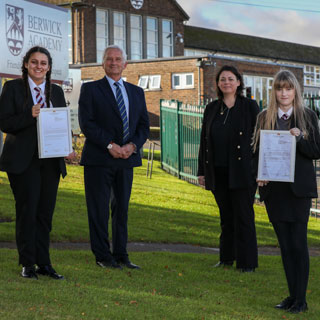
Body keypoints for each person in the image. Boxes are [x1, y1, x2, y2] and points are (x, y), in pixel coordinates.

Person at [0, 46, 74, 280]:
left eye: (43, 63)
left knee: (45, 214)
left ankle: (44, 263)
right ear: (26, 65)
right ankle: (27, 263)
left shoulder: (57, 91)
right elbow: (4, 122)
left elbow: (61, 123)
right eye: (34, 62)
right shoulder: (12, 88)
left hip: (51, 161)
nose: (38, 67)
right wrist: (29, 115)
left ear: (49, 67)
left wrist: (67, 146)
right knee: (27, 211)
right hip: (24, 161)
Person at [253, 70, 320, 313]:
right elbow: (256, 152)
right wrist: (258, 173)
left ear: (295, 91)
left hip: (299, 191)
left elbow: (316, 151)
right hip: (274, 191)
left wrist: (301, 137)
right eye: (280, 89)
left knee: (298, 244)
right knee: (285, 245)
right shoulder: (264, 117)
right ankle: (292, 296)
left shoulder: (307, 116)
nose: (284, 93)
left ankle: (301, 300)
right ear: (274, 92)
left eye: (288, 88)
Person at [78, 45, 149, 270]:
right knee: (98, 209)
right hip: (99, 159)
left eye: (118, 59)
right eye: (109, 59)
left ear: (125, 64)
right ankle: (102, 256)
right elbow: (86, 123)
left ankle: (121, 255)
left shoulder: (136, 92)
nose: (114, 62)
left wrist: (132, 146)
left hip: (126, 159)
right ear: (103, 63)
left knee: (122, 210)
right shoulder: (90, 89)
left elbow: (143, 126)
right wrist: (110, 145)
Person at [198, 65, 259, 272]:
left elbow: (258, 141)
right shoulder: (211, 108)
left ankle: (247, 263)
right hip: (218, 171)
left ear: (239, 82)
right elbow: (204, 142)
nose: (226, 82)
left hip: (243, 172)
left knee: (243, 217)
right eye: (222, 79)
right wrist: (201, 171)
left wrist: (259, 170)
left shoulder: (250, 107)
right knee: (226, 217)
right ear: (217, 84)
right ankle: (226, 258)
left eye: (231, 79)